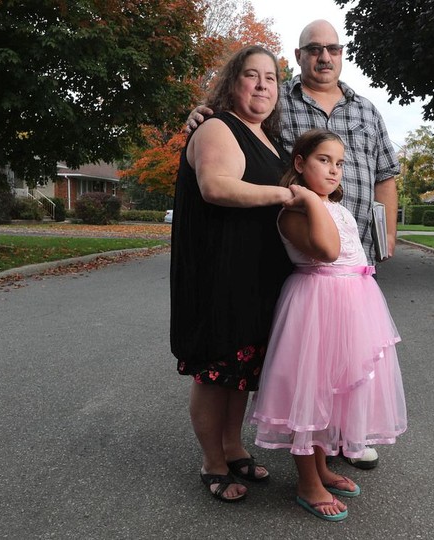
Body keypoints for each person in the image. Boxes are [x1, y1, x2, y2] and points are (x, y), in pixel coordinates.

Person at [186, 19, 401, 469]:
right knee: (292, 363)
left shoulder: (360, 111)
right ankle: (228, 460)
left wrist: (387, 236)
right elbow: (223, 169)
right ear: (300, 56)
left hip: (349, 248)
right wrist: (201, 112)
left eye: (333, 48)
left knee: (338, 357)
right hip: (296, 251)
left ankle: (346, 435)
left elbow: (386, 175)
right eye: (314, 49)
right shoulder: (272, 114)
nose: (325, 56)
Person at [250, 129, 407, 521]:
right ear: (300, 164)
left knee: (334, 390)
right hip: (316, 306)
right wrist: (305, 196)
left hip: (353, 305)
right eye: (323, 160)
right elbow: (328, 250)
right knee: (313, 388)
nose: (335, 170)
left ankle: (321, 468)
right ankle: (307, 482)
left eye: (340, 163)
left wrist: (316, 198)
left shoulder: (332, 206)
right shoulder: (295, 211)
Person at [170, 45, 296, 503]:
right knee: (215, 369)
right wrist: (285, 196)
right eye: (251, 75)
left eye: (271, 78)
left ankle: (233, 446)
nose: (263, 85)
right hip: (219, 273)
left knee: (239, 371)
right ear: (232, 81)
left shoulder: (269, 139)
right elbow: (216, 187)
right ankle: (213, 461)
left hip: (256, 276)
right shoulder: (219, 127)